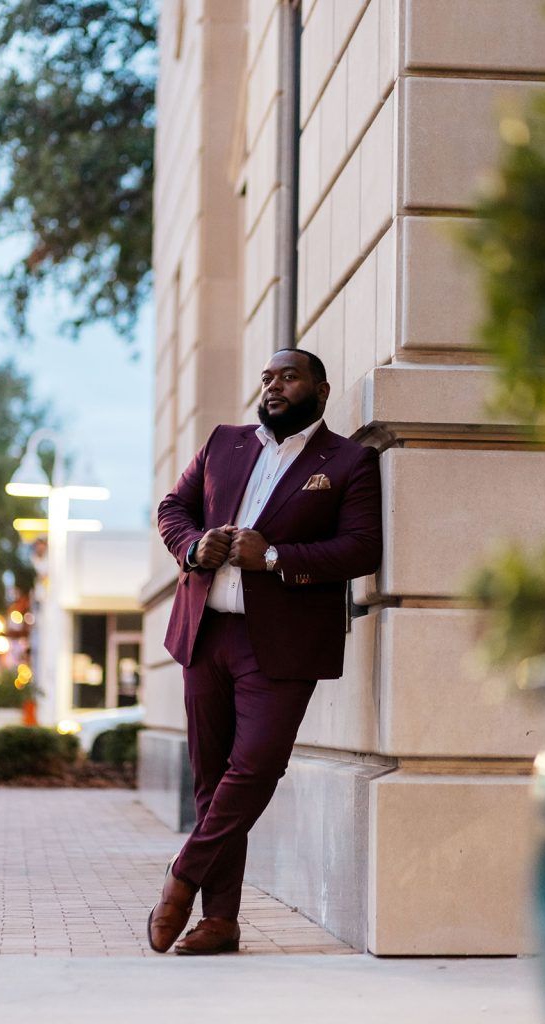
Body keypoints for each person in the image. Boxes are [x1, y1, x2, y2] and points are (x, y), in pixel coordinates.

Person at [149, 347, 383, 956]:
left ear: (321, 391)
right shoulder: (224, 443)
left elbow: (360, 549)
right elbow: (173, 509)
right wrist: (197, 546)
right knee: (210, 777)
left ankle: (182, 878)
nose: (274, 385)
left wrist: (275, 558)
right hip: (205, 633)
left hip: (278, 644)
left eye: (289, 376)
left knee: (253, 769)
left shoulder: (348, 461)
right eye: (268, 377)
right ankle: (220, 920)